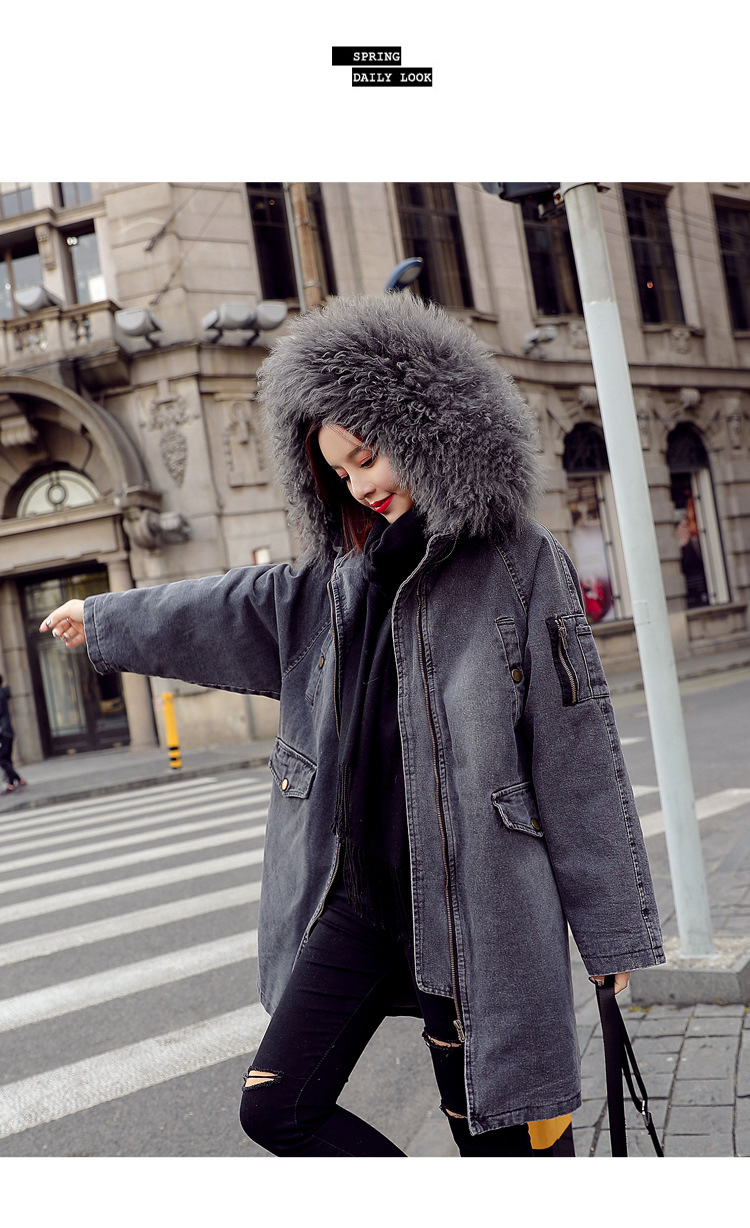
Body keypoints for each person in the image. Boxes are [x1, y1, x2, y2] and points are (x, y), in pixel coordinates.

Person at [40, 293, 665, 1157]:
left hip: (472, 906)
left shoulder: (518, 563)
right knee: (277, 1105)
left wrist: (610, 931)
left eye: (368, 456)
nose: (363, 485)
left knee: (501, 1136)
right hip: (358, 901)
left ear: (431, 424)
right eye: (341, 473)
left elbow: (574, 749)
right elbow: (223, 607)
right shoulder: (337, 584)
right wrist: (102, 620)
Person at [0, 675, 27, 796]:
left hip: (3, 732)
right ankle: (11, 784)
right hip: (7, 731)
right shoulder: (2, 693)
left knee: (2, 759)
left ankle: (19, 780)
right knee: (6, 759)